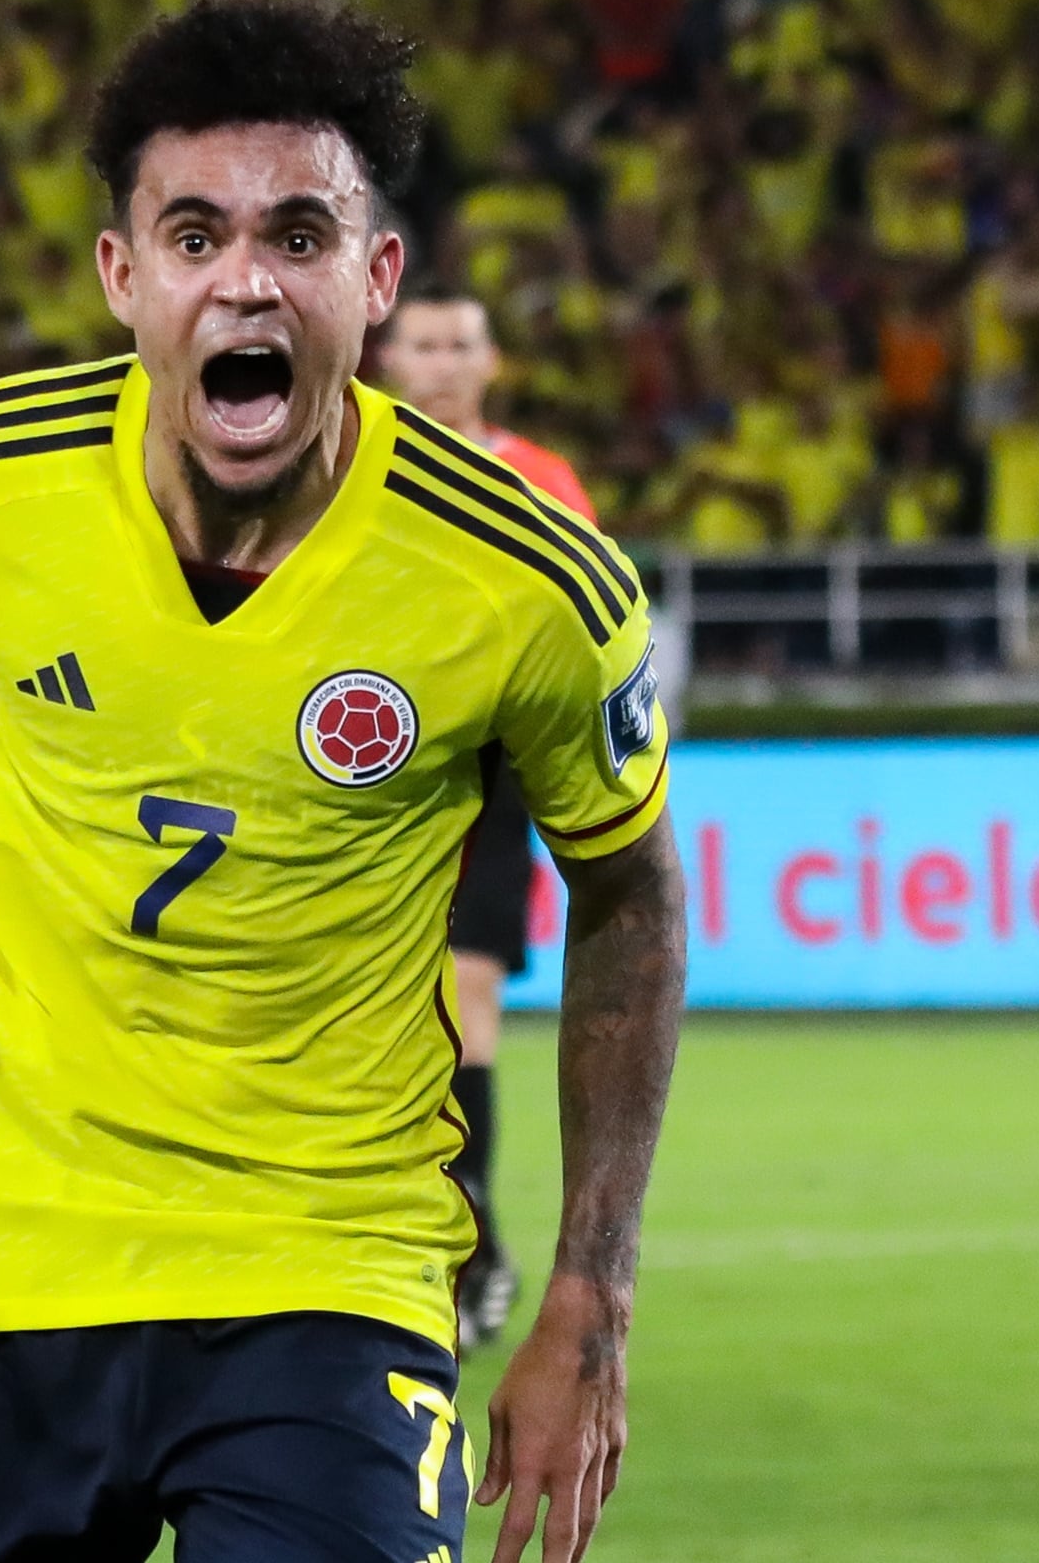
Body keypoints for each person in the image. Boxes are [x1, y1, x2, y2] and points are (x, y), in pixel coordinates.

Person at [0, 0, 687, 1563]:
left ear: (375, 280)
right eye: (195, 234)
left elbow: (631, 896)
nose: (246, 277)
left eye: (301, 236)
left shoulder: (528, 580)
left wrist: (591, 1288)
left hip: (332, 1282)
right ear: (125, 274)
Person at [375, 286, 603, 1350]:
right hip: (359, 756)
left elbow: (589, 627)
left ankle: (467, 1235)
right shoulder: (340, 457)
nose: (443, 362)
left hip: (489, 762)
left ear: (492, 361)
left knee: (465, 998)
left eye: (461, 343)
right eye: (425, 343)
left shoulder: (542, 479)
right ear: (386, 352)